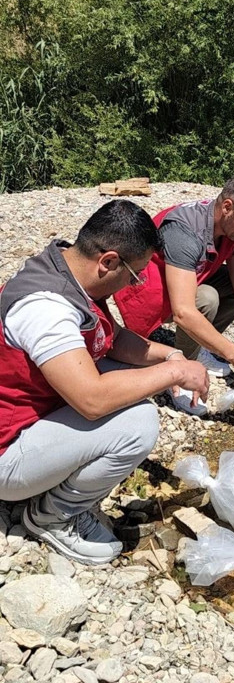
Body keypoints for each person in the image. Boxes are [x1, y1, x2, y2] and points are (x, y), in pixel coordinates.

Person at [0, 200, 209, 565]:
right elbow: (91, 401)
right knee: (139, 423)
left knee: (123, 375)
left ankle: (50, 488)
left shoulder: (71, 271)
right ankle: (52, 516)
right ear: (109, 262)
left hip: (29, 418)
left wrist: (171, 356)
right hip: (6, 454)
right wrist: (175, 375)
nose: (134, 284)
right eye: (135, 274)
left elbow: (109, 339)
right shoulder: (47, 308)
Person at [114, 174, 234, 415]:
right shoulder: (184, 231)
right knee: (206, 299)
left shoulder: (233, 231)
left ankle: (200, 345)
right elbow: (183, 312)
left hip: (187, 279)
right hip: (147, 293)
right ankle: (182, 373)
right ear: (227, 207)